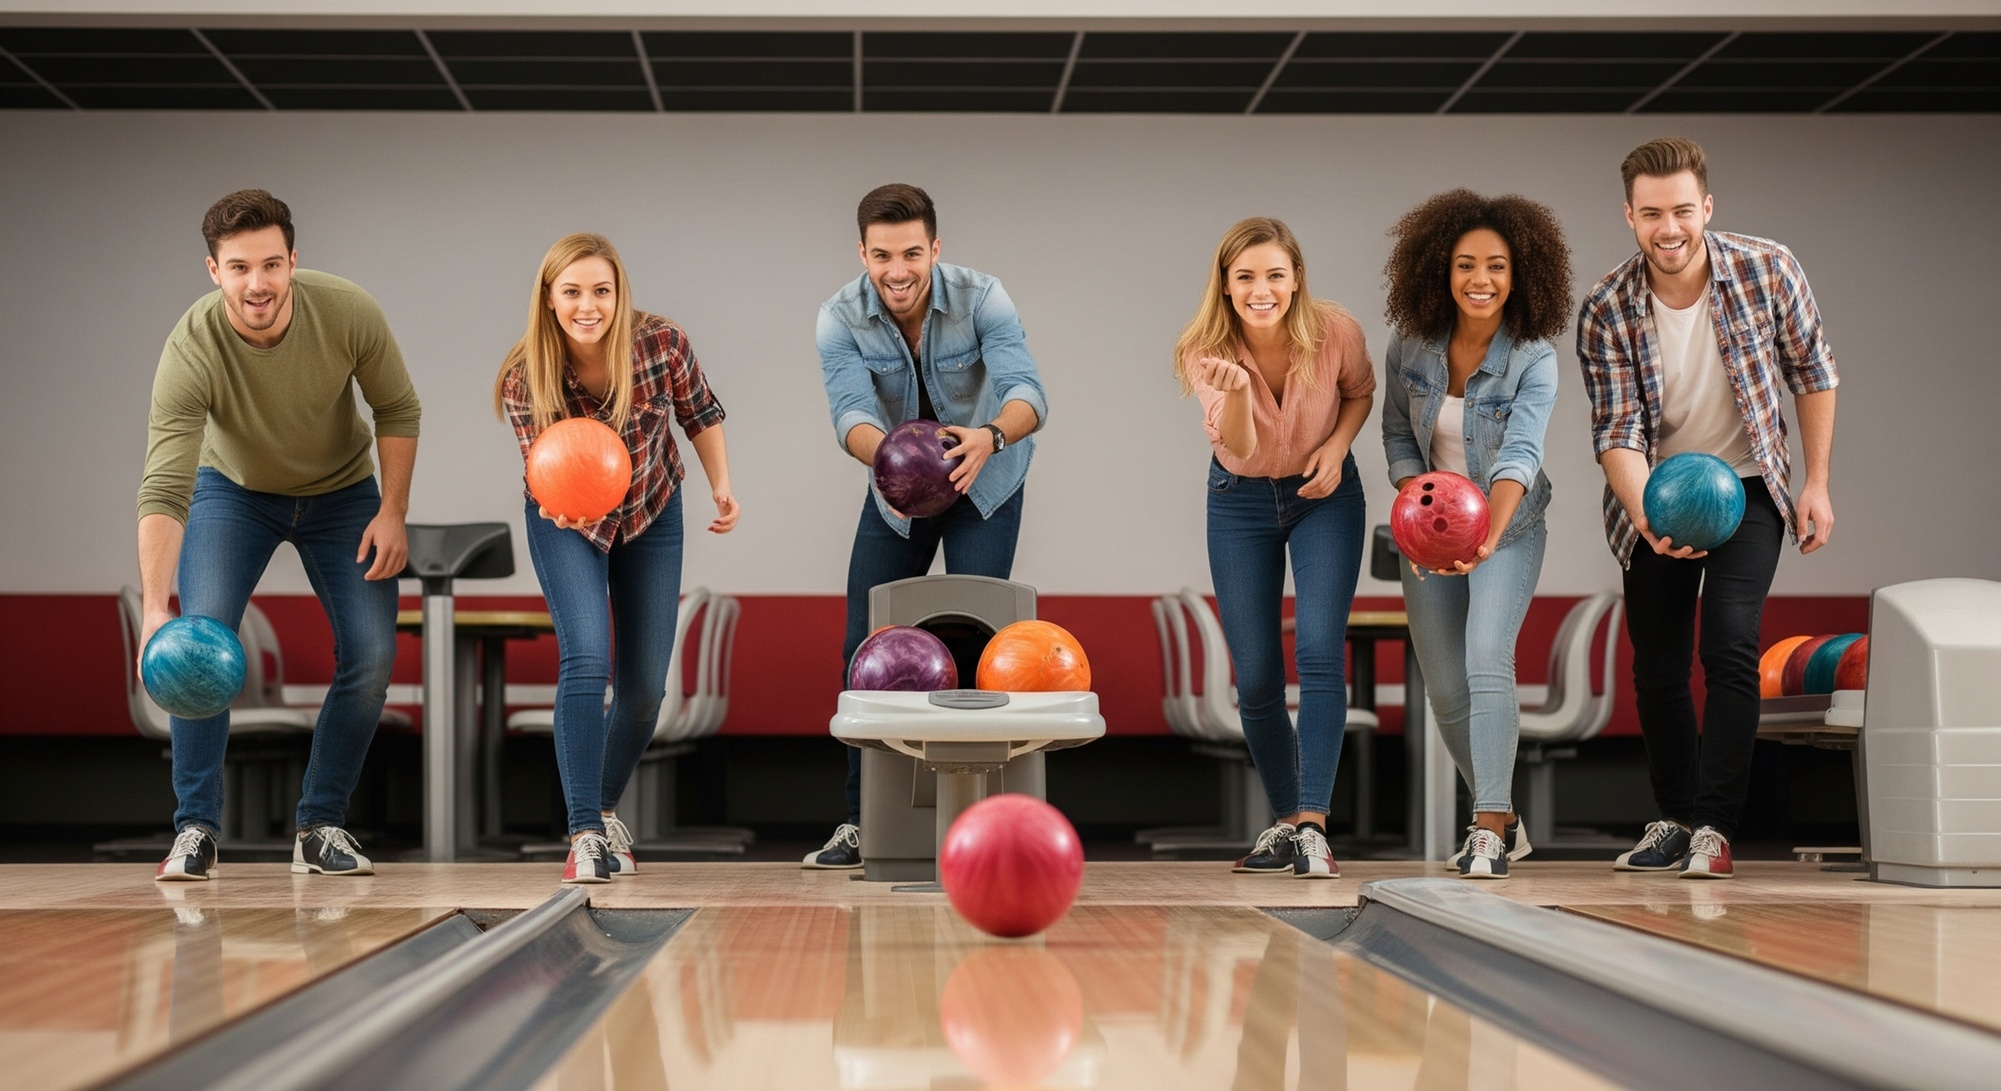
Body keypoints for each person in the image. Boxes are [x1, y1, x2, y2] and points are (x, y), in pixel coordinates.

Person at [1578, 137, 1839, 879]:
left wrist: (1813, 482)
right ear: (1629, 215)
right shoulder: (1604, 306)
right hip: (1653, 490)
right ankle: (1673, 813)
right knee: (1656, 663)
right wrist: (1649, 518)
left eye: (1682, 211)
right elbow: (1615, 431)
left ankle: (1714, 827)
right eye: (1652, 213)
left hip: (1751, 482)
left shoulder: (1766, 267)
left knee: (1727, 641)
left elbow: (1812, 371)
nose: (1669, 228)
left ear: (1707, 208)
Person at [140, 189, 420, 881]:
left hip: (341, 492)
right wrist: (154, 607)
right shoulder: (192, 345)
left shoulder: (346, 310)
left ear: (293, 260)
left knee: (372, 654)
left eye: (270, 264)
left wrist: (392, 510)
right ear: (214, 270)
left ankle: (321, 823)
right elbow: (165, 485)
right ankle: (195, 829)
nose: (257, 283)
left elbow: (397, 406)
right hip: (232, 492)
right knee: (200, 646)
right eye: (239, 268)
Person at [806, 183, 1049, 870]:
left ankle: (982, 826)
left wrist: (989, 437)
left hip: (983, 479)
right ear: (862, 253)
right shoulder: (837, 316)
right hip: (896, 489)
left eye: (912, 252)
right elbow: (849, 414)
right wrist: (893, 462)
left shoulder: (983, 297)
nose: (898, 269)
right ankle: (861, 823)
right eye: (882, 255)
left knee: (978, 644)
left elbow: (1028, 390)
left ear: (934, 248)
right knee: (865, 647)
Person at [496, 233, 738, 884]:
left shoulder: (661, 345)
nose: (587, 305)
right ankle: (582, 834)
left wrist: (720, 483)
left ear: (618, 293)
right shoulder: (525, 376)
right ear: (549, 300)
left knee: (642, 690)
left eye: (601, 290)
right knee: (586, 657)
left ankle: (601, 808)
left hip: (653, 509)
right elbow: (544, 474)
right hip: (565, 519)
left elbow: (701, 414)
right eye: (571, 291)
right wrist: (568, 510)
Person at [1175, 217, 1375, 880]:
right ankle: (1288, 818)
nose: (1262, 289)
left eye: (1274, 275)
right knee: (1257, 675)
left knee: (1318, 651)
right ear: (1226, 286)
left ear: (1295, 279)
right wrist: (1233, 392)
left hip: (1326, 498)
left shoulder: (1335, 330)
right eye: (1246, 277)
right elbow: (1237, 444)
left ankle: (1313, 824)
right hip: (1239, 500)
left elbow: (1358, 392)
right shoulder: (1201, 349)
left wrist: (1338, 444)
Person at [1380, 190, 1572, 880]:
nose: (1480, 279)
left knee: (1487, 654)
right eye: (1465, 264)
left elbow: (1520, 452)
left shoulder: (1533, 358)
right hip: (1429, 532)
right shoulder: (1409, 346)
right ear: (1440, 270)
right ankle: (1504, 811)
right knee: (1445, 689)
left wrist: (1484, 533)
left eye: (1495, 265)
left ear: (1520, 273)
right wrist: (1417, 503)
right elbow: (1398, 432)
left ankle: (1486, 824)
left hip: (1509, 525)